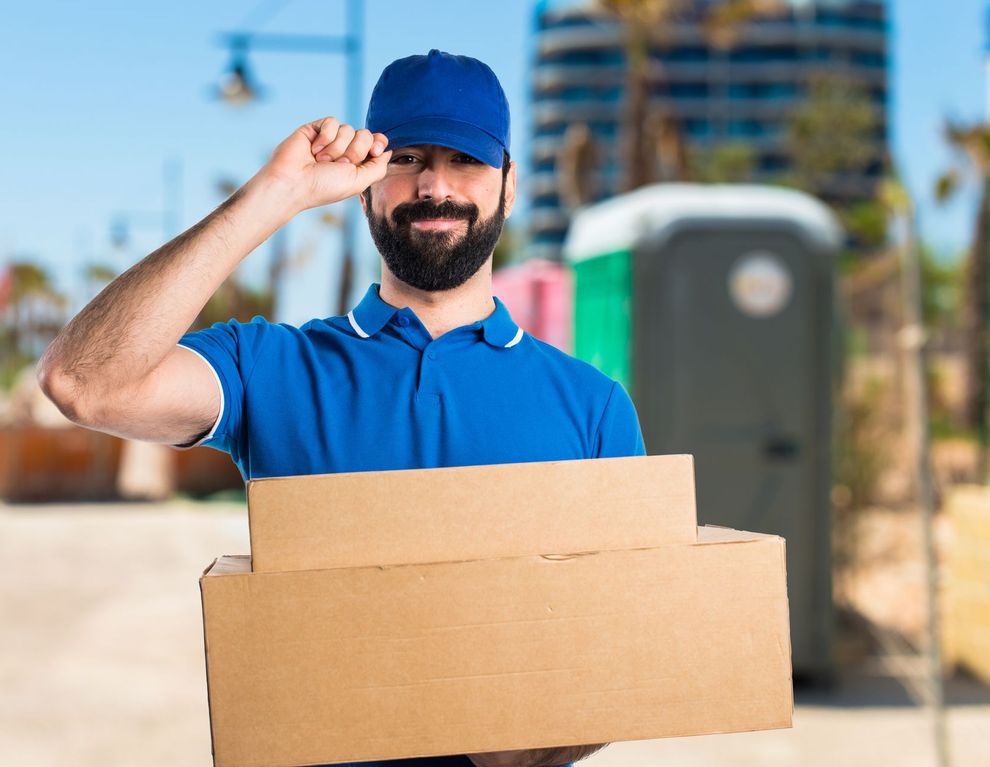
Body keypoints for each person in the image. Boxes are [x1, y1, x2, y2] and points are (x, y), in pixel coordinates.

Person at [38, 49, 642, 767]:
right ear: (362, 190)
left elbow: (624, 645)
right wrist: (275, 194)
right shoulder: (270, 367)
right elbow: (83, 381)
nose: (434, 185)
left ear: (509, 185)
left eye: (465, 160)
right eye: (407, 158)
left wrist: (531, 746)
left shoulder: (592, 406)